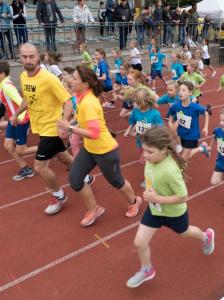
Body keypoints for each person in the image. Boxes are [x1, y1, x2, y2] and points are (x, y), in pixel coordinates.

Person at [126, 126, 215, 288]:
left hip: (174, 213)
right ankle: (147, 269)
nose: (145, 155)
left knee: (185, 232)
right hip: (155, 210)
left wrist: (157, 197)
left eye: (149, 152)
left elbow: (183, 196)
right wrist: (152, 194)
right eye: (144, 150)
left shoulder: (171, 171)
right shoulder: (151, 159)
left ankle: (206, 237)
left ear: (164, 150)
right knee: (139, 243)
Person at [57, 66, 142, 227]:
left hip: (106, 151)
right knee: (75, 180)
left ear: (85, 84)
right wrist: (69, 127)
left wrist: (70, 129)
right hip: (90, 149)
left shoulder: (89, 102)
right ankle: (94, 209)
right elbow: (82, 121)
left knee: (116, 181)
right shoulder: (80, 97)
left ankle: (134, 201)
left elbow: (94, 133)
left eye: (74, 78)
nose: (70, 80)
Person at [11, 43, 73, 215]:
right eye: (24, 56)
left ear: (38, 57)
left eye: (32, 56)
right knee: (63, 157)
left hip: (52, 127)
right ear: (20, 57)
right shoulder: (23, 76)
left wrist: (65, 123)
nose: (28, 60)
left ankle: (59, 195)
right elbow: (27, 99)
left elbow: (67, 101)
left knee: (39, 167)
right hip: (39, 126)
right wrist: (16, 115)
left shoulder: (48, 78)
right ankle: (83, 175)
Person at [0, 60, 37, 180]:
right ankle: (26, 169)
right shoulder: (2, 85)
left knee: (21, 150)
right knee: (8, 145)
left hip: (20, 120)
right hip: (13, 119)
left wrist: (18, 117)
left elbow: (22, 101)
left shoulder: (6, 86)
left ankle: (51, 147)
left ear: (2, 74)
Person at [168, 81, 209, 161]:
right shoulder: (177, 105)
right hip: (181, 133)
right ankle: (201, 148)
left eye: (183, 91)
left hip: (192, 135)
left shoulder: (195, 107)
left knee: (183, 158)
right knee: (187, 154)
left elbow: (206, 112)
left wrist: (206, 127)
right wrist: (170, 123)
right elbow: (171, 113)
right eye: (179, 90)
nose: (180, 92)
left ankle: (180, 172)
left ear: (190, 93)